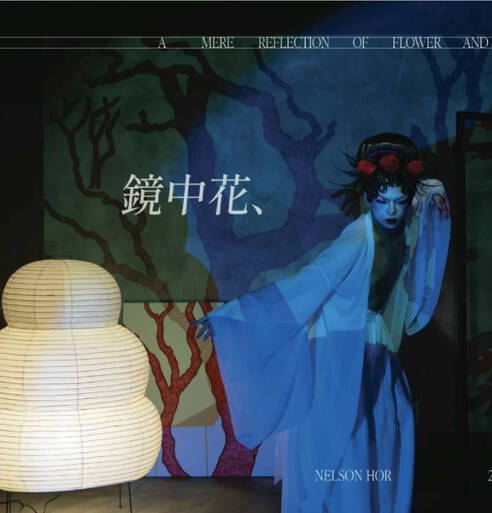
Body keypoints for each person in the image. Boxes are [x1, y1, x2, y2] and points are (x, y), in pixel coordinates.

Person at [193, 133, 450, 512]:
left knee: (382, 429)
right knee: (341, 440)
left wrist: (421, 186)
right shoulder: (357, 241)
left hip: (374, 346)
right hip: (337, 350)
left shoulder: (402, 232)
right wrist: (232, 315)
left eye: (399, 201)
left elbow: (430, 197)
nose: (392, 210)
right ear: (369, 199)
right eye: (383, 201)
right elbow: (308, 283)